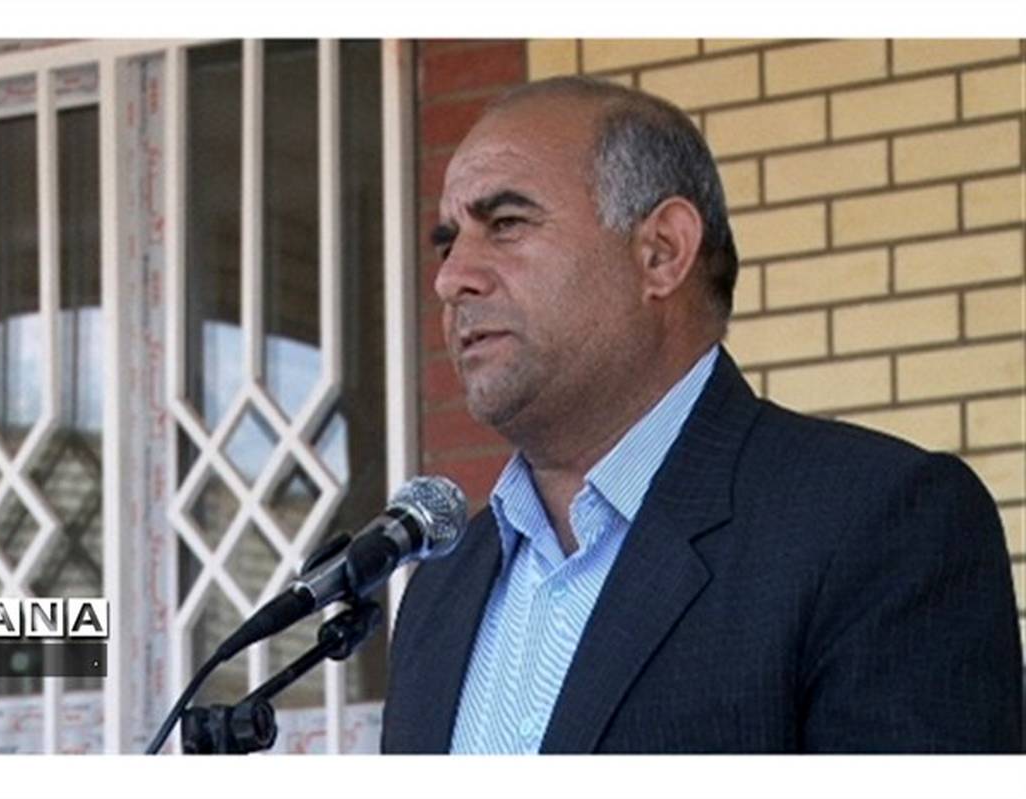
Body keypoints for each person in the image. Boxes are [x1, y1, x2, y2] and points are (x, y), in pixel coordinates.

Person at [381, 76, 1022, 753]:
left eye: (506, 224)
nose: (451, 278)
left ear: (661, 251)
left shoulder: (880, 525)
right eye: (448, 242)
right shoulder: (439, 589)